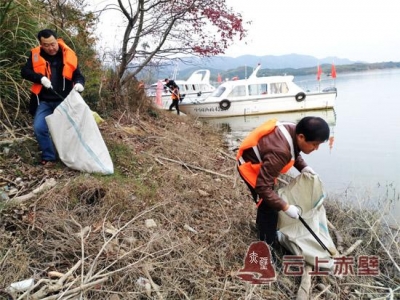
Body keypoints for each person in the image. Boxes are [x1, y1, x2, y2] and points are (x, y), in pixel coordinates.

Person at [236, 117, 330, 247]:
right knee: (268, 207)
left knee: (268, 202)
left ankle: (261, 227)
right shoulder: (279, 152)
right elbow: (262, 187)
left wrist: (303, 167)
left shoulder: (293, 129)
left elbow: (294, 151)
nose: (317, 148)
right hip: (250, 166)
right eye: (314, 144)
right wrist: (286, 207)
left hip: (264, 161)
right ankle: (267, 245)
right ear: (301, 137)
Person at [21, 29, 85, 167]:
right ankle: (49, 156)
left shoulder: (68, 55)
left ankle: (74, 156)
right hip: (44, 101)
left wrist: (80, 84)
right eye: (46, 45)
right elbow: (24, 72)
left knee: (71, 128)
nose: (51, 48)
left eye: (53, 44)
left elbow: (78, 75)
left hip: (64, 101)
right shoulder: (35, 55)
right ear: (41, 44)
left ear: (57, 40)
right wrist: (40, 78)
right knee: (39, 128)